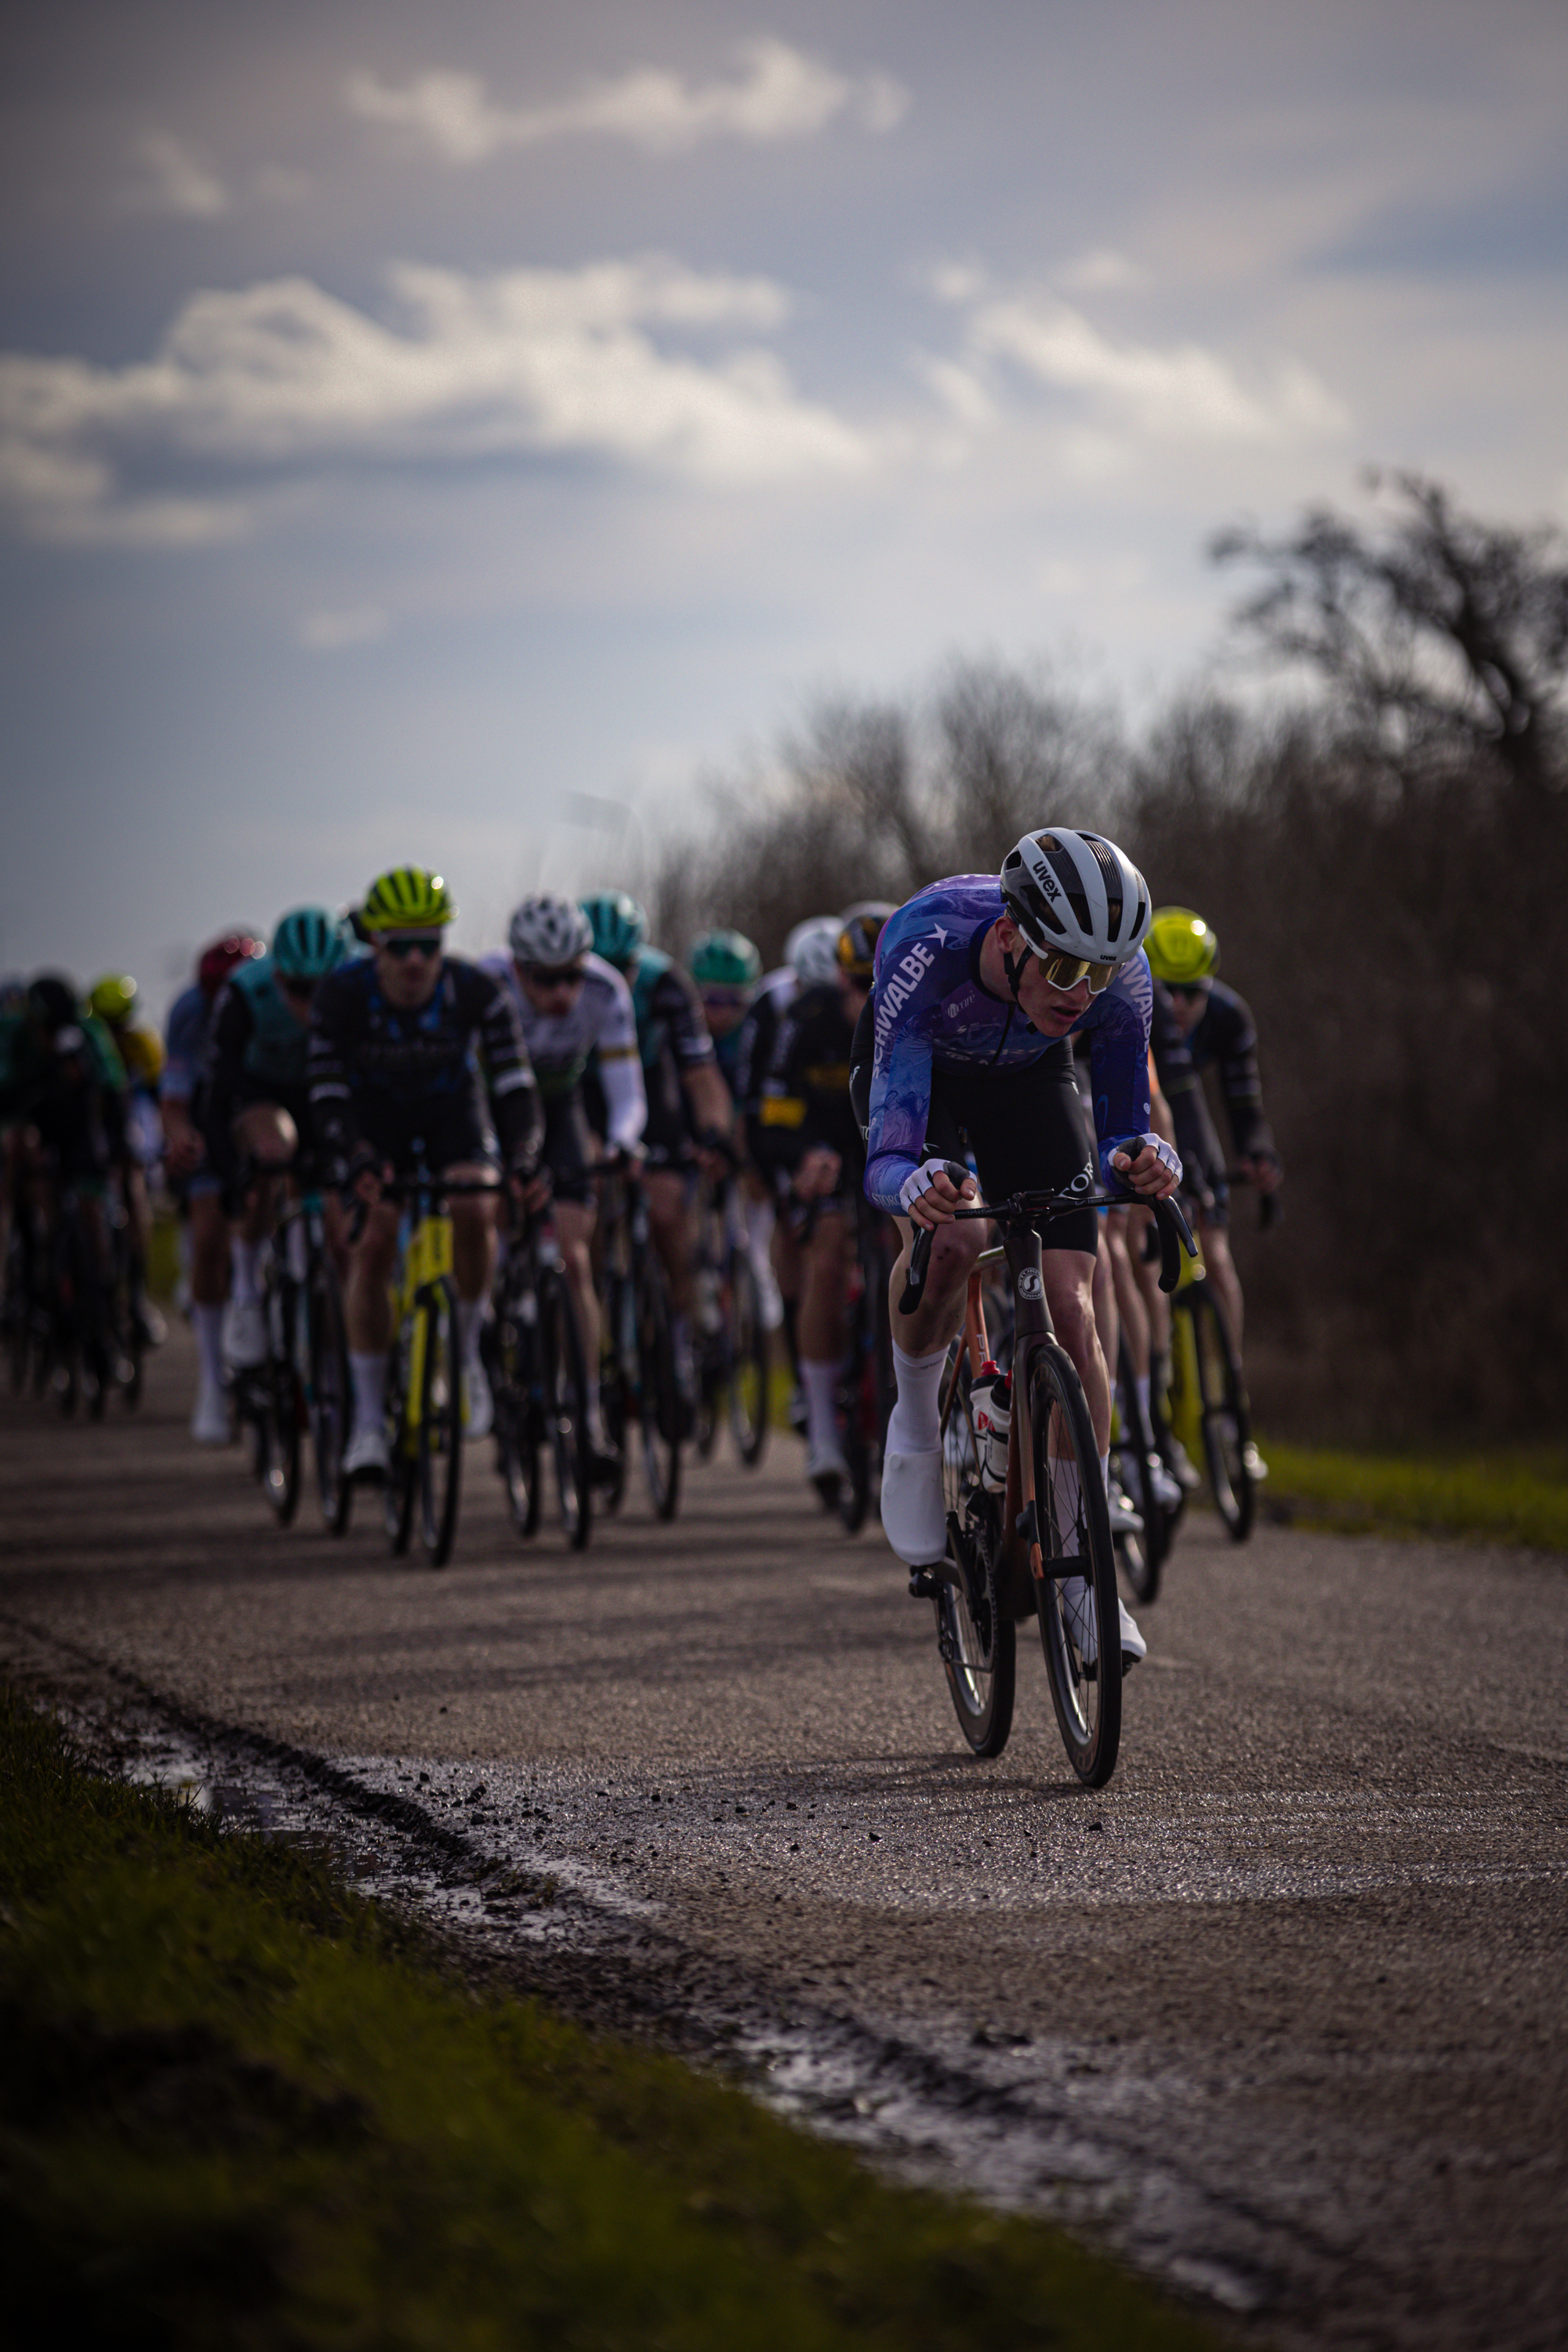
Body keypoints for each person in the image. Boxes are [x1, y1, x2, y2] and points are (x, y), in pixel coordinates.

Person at [860, 828, 1181, 1673]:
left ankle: (1084, 1579)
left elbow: (1125, 1126)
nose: (1084, 991)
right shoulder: (924, 946)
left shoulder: (1116, 977)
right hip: (925, 1079)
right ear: (1008, 936)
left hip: (1031, 1080)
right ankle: (915, 1427)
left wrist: (1146, 1160)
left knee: (1075, 1310)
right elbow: (886, 1158)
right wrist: (913, 1183)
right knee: (958, 1234)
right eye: (1065, 968)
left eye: (1100, 972)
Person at [308, 866, 543, 1480]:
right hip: (372, 1119)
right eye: (400, 946)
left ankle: (465, 1352)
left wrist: (521, 1159)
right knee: (375, 1242)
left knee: (473, 1203)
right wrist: (353, 1154)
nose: (416, 961)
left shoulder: (475, 991)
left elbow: (516, 1087)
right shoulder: (341, 994)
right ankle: (365, 1424)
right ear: (375, 944)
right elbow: (326, 1093)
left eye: (430, 945)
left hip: (450, 1112)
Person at [481, 895, 644, 1479]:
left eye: (571, 975)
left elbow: (627, 1093)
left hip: (563, 1102)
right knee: (490, 1214)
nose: (560, 994)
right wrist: (495, 1164)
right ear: (517, 968)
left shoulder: (606, 991)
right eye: (544, 979)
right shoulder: (486, 982)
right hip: (495, 1105)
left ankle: (591, 1417)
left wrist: (624, 1142)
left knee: (575, 1259)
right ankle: (491, 1317)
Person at [579, 892, 734, 1410]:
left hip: (649, 1081)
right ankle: (595, 1328)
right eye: (600, 967)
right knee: (588, 1210)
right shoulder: (566, 986)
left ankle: (678, 1331)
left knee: (668, 1208)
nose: (615, 980)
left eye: (623, 966)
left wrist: (714, 1133)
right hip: (587, 1087)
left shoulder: (665, 982)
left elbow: (700, 1072)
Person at [754, 909, 887, 1503]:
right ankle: (825, 1433)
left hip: (887, 1145)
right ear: (839, 980)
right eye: (859, 986)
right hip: (824, 1149)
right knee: (828, 1254)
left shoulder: (918, 1016)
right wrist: (804, 1155)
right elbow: (772, 1114)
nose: (870, 999)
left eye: (881, 983)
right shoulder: (802, 1020)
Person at [1145, 906, 1279, 1483]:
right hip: (1143, 1120)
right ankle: (1152, 1415)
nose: (1177, 1005)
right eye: (1166, 990)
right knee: (1136, 1262)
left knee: (1218, 1259)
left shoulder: (1228, 1017)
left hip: (1189, 1122)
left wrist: (1259, 1155)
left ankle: (1232, 1406)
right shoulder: (1130, 1006)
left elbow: (1241, 1101)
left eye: (1192, 993)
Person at [200, 909, 351, 1370]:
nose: (310, 1006)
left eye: (323, 990)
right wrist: (232, 1175)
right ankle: (246, 1288)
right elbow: (217, 1091)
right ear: (278, 976)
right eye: (299, 991)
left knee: (341, 1228)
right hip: (261, 1091)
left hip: (326, 1093)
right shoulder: (246, 991)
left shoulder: (361, 982)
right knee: (272, 1152)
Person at [162, 932, 265, 1440]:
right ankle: (212, 1381)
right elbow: (176, 1102)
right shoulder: (187, 1012)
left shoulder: (274, 999)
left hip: (258, 1109)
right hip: (209, 1116)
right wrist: (179, 1140)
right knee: (208, 1236)